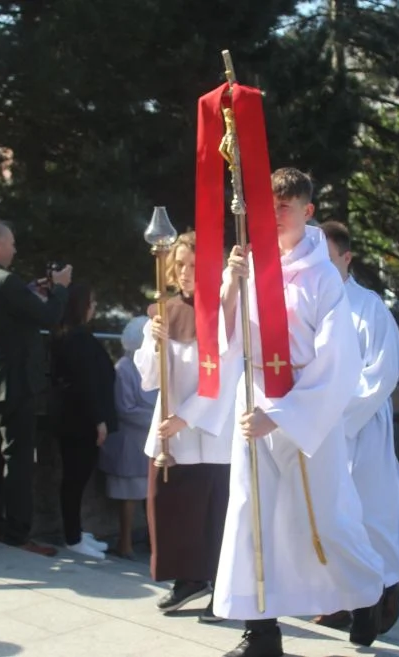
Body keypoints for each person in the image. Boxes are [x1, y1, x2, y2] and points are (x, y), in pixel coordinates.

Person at [214, 169, 384, 657]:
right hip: (255, 411)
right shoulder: (250, 262)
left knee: (326, 520)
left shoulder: (323, 277)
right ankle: (261, 633)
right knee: (252, 518)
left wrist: (286, 414)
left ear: (306, 211)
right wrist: (231, 285)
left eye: (284, 206)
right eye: (267, 206)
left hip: (308, 416)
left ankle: (368, 592)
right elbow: (223, 338)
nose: (274, 215)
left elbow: (338, 361)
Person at [135, 231, 236, 623]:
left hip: (208, 432)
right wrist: (154, 342)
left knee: (213, 516)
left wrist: (187, 416)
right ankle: (186, 579)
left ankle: (220, 588)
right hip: (170, 436)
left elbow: (226, 376)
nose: (186, 271)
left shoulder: (222, 311)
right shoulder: (164, 309)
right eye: (180, 264)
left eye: (194, 265)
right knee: (169, 510)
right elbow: (148, 377)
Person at [319, 220, 399, 635]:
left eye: (327, 257)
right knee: (325, 516)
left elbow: (383, 371)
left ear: (346, 258)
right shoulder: (306, 303)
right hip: (316, 427)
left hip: (361, 426)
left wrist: (340, 412)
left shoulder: (368, 306)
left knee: (371, 513)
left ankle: (380, 596)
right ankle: (337, 599)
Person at [0, 218, 71, 556]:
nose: (15, 249)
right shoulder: (3, 280)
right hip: (16, 382)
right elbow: (50, 318)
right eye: (11, 243)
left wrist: (29, 292)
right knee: (19, 459)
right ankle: (18, 533)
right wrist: (62, 287)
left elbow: (9, 312)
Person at [49, 282, 117, 559]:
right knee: (75, 479)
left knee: (77, 479)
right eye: (91, 303)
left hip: (75, 418)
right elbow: (85, 383)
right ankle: (73, 537)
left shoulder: (69, 335)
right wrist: (98, 420)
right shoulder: (76, 338)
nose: (94, 308)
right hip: (80, 421)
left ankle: (76, 531)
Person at [98, 315, 156, 559]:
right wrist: (156, 418)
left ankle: (154, 543)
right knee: (129, 496)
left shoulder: (152, 366)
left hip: (146, 440)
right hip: (129, 441)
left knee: (150, 494)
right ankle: (125, 543)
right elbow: (125, 408)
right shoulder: (124, 368)